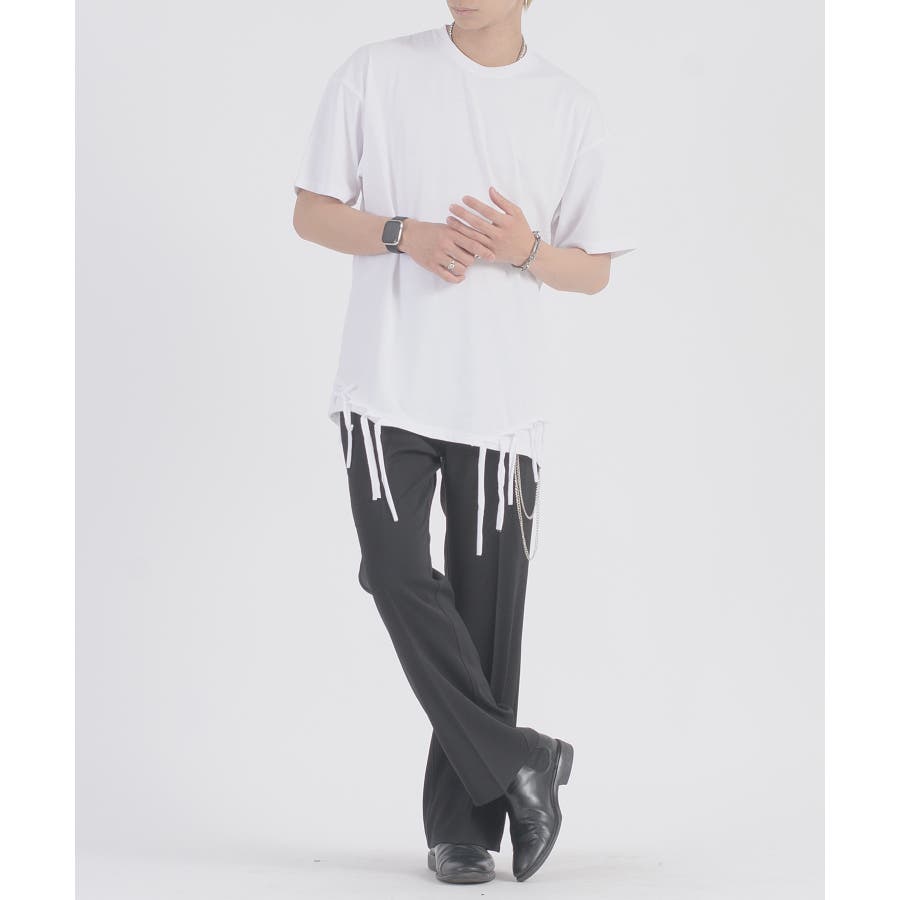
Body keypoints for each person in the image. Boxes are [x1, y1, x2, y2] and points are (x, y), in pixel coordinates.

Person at [291, 0, 636, 884]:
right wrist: (403, 233)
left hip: (499, 403)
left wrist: (526, 250)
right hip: (384, 384)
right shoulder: (376, 71)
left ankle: (467, 832)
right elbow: (312, 214)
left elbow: (593, 269)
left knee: (487, 613)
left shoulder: (569, 106)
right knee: (394, 570)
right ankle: (524, 758)